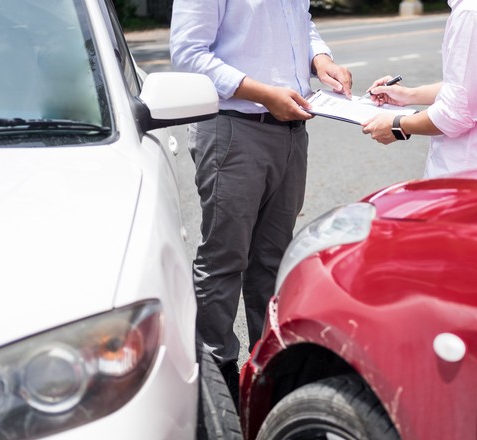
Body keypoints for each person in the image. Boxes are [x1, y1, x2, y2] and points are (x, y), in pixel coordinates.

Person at [169, 0, 352, 408]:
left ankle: (268, 369)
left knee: (273, 260)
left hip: (291, 130)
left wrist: (320, 59)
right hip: (235, 129)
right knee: (224, 259)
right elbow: (188, 53)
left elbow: (301, 26)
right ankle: (219, 379)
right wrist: (263, 93)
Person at [361, 0, 477, 178]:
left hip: (468, 174)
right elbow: (475, 86)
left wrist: (398, 125)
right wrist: (409, 95)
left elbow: (455, 114)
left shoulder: (472, 12)